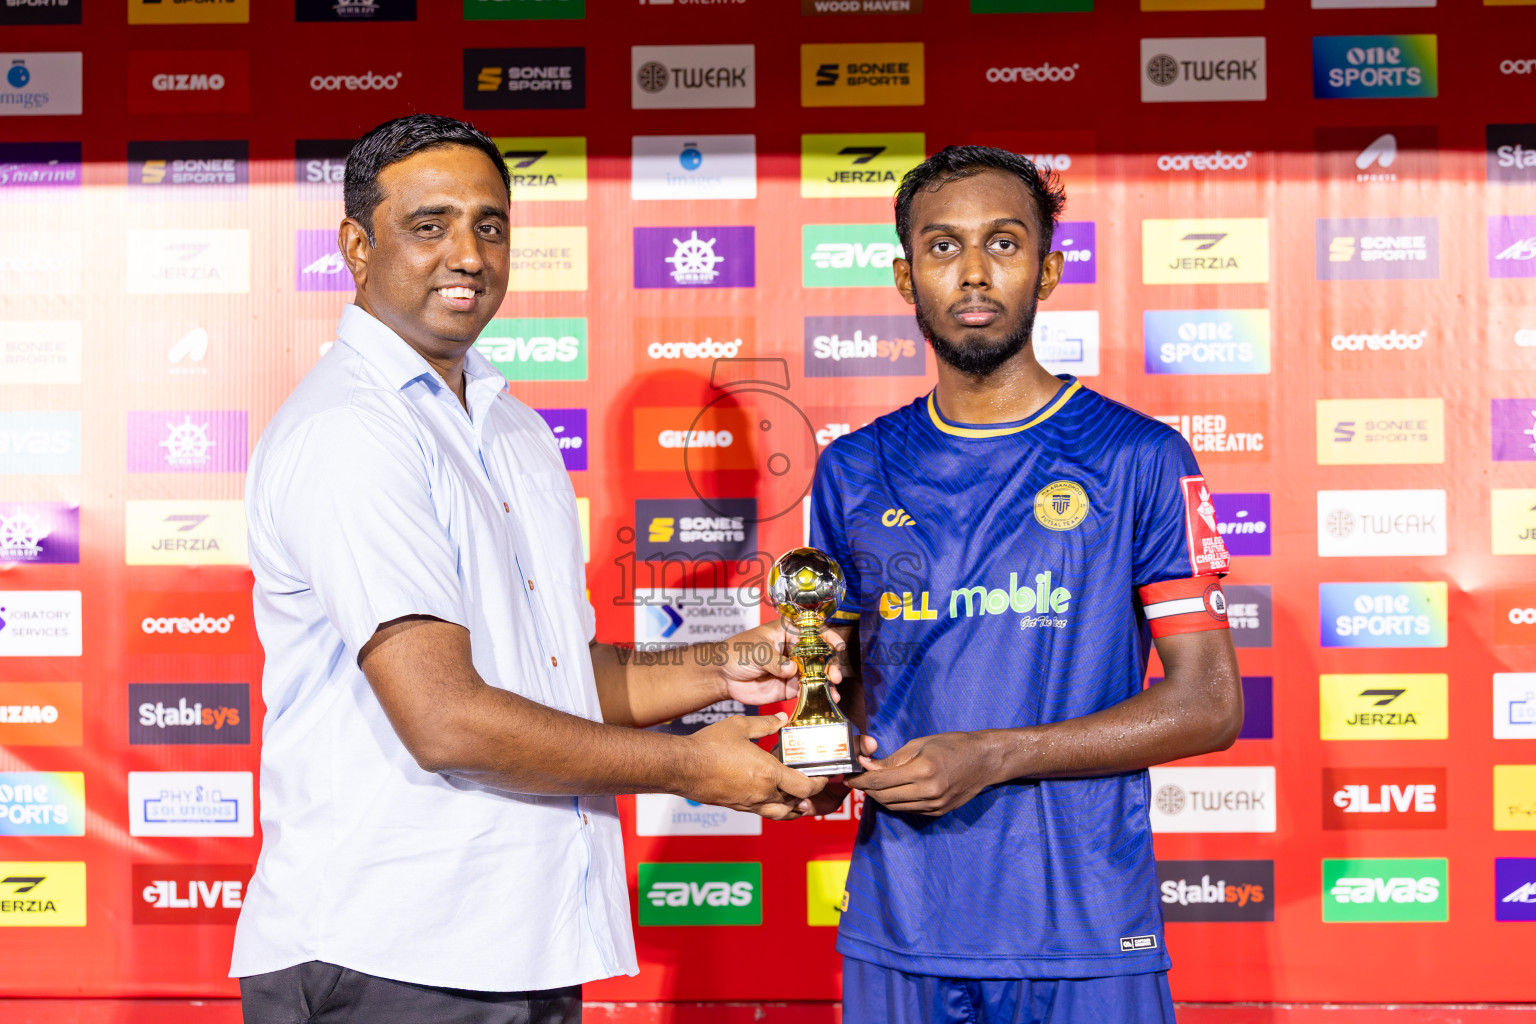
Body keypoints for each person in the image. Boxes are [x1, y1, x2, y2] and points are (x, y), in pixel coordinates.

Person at [232, 114, 825, 1024]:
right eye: (429, 225)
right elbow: (446, 719)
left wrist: (717, 667)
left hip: (517, 943)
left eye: (490, 224)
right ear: (357, 245)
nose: (467, 254)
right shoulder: (351, 429)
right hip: (387, 956)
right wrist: (687, 771)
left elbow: (549, 677)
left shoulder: (508, 422)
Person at [807, 146, 1244, 1024]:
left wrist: (995, 755)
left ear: (1048, 269)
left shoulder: (1141, 458)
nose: (973, 272)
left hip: (1084, 931)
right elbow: (833, 682)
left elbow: (1209, 705)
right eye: (942, 247)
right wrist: (813, 757)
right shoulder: (852, 470)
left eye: (1003, 244)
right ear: (904, 277)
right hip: (904, 922)